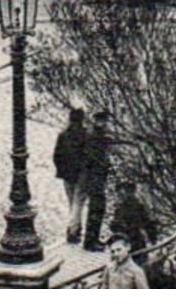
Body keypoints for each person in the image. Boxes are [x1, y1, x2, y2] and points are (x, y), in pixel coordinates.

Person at [80, 109, 115, 251]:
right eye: (103, 121)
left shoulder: (97, 136)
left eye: (105, 121)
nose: (105, 124)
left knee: (97, 209)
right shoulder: (95, 137)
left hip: (96, 179)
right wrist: (105, 165)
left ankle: (93, 239)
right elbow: (93, 159)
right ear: (97, 121)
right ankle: (90, 242)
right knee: (97, 209)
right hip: (95, 179)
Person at [53, 107, 89, 243]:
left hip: (67, 173)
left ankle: (76, 228)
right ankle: (73, 230)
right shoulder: (85, 135)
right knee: (78, 203)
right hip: (81, 173)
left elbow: (57, 155)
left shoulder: (63, 135)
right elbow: (88, 156)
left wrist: (61, 170)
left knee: (72, 202)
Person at [109, 179, 156, 255]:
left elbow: (147, 223)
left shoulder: (135, 206)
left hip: (132, 240)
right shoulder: (123, 207)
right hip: (128, 241)